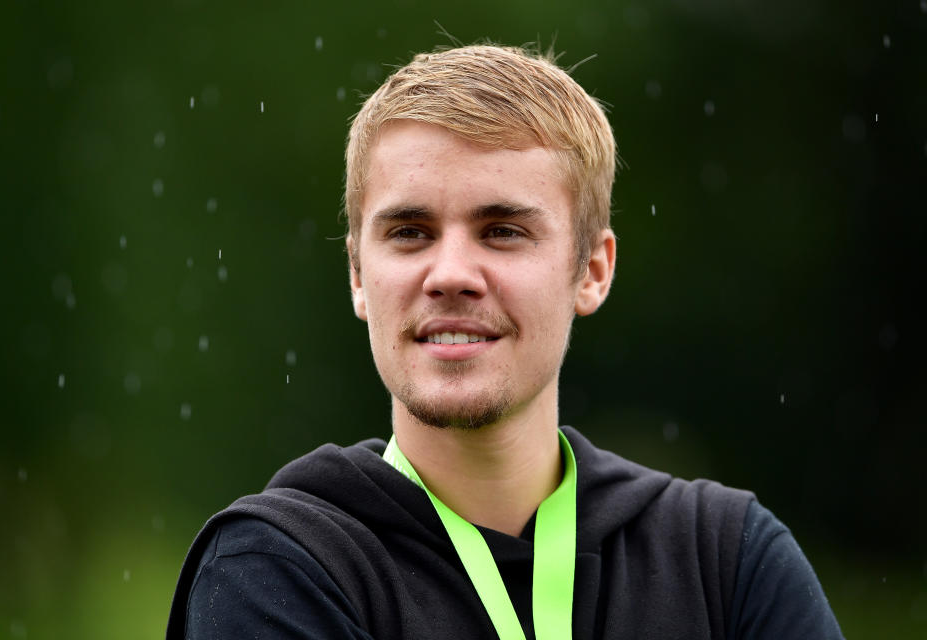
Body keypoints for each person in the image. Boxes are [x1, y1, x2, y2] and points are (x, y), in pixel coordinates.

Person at [167, 44, 843, 639]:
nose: (452, 274)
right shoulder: (278, 569)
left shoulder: (723, 559)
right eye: (410, 232)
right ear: (357, 276)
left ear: (593, 270)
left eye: (502, 231)